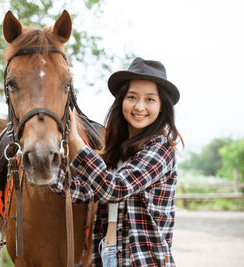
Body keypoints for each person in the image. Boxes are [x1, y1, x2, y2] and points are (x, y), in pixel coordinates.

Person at [51, 57, 183, 267]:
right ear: (122, 101)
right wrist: (47, 172)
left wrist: (76, 143)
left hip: (144, 261)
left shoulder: (160, 149)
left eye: (150, 99)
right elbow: (86, 192)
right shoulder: (115, 151)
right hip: (107, 256)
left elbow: (115, 188)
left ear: (161, 107)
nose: (139, 106)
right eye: (132, 97)